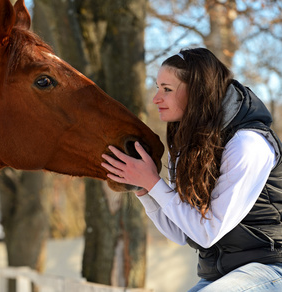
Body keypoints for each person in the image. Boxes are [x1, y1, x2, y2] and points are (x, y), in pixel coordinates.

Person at [101, 48, 282, 291]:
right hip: (220, 274)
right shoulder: (189, 145)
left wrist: (155, 183)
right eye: (157, 87)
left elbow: (208, 233)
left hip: (271, 268)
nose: (156, 98)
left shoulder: (248, 145)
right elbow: (181, 233)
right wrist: (144, 188)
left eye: (167, 89)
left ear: (198, 92)